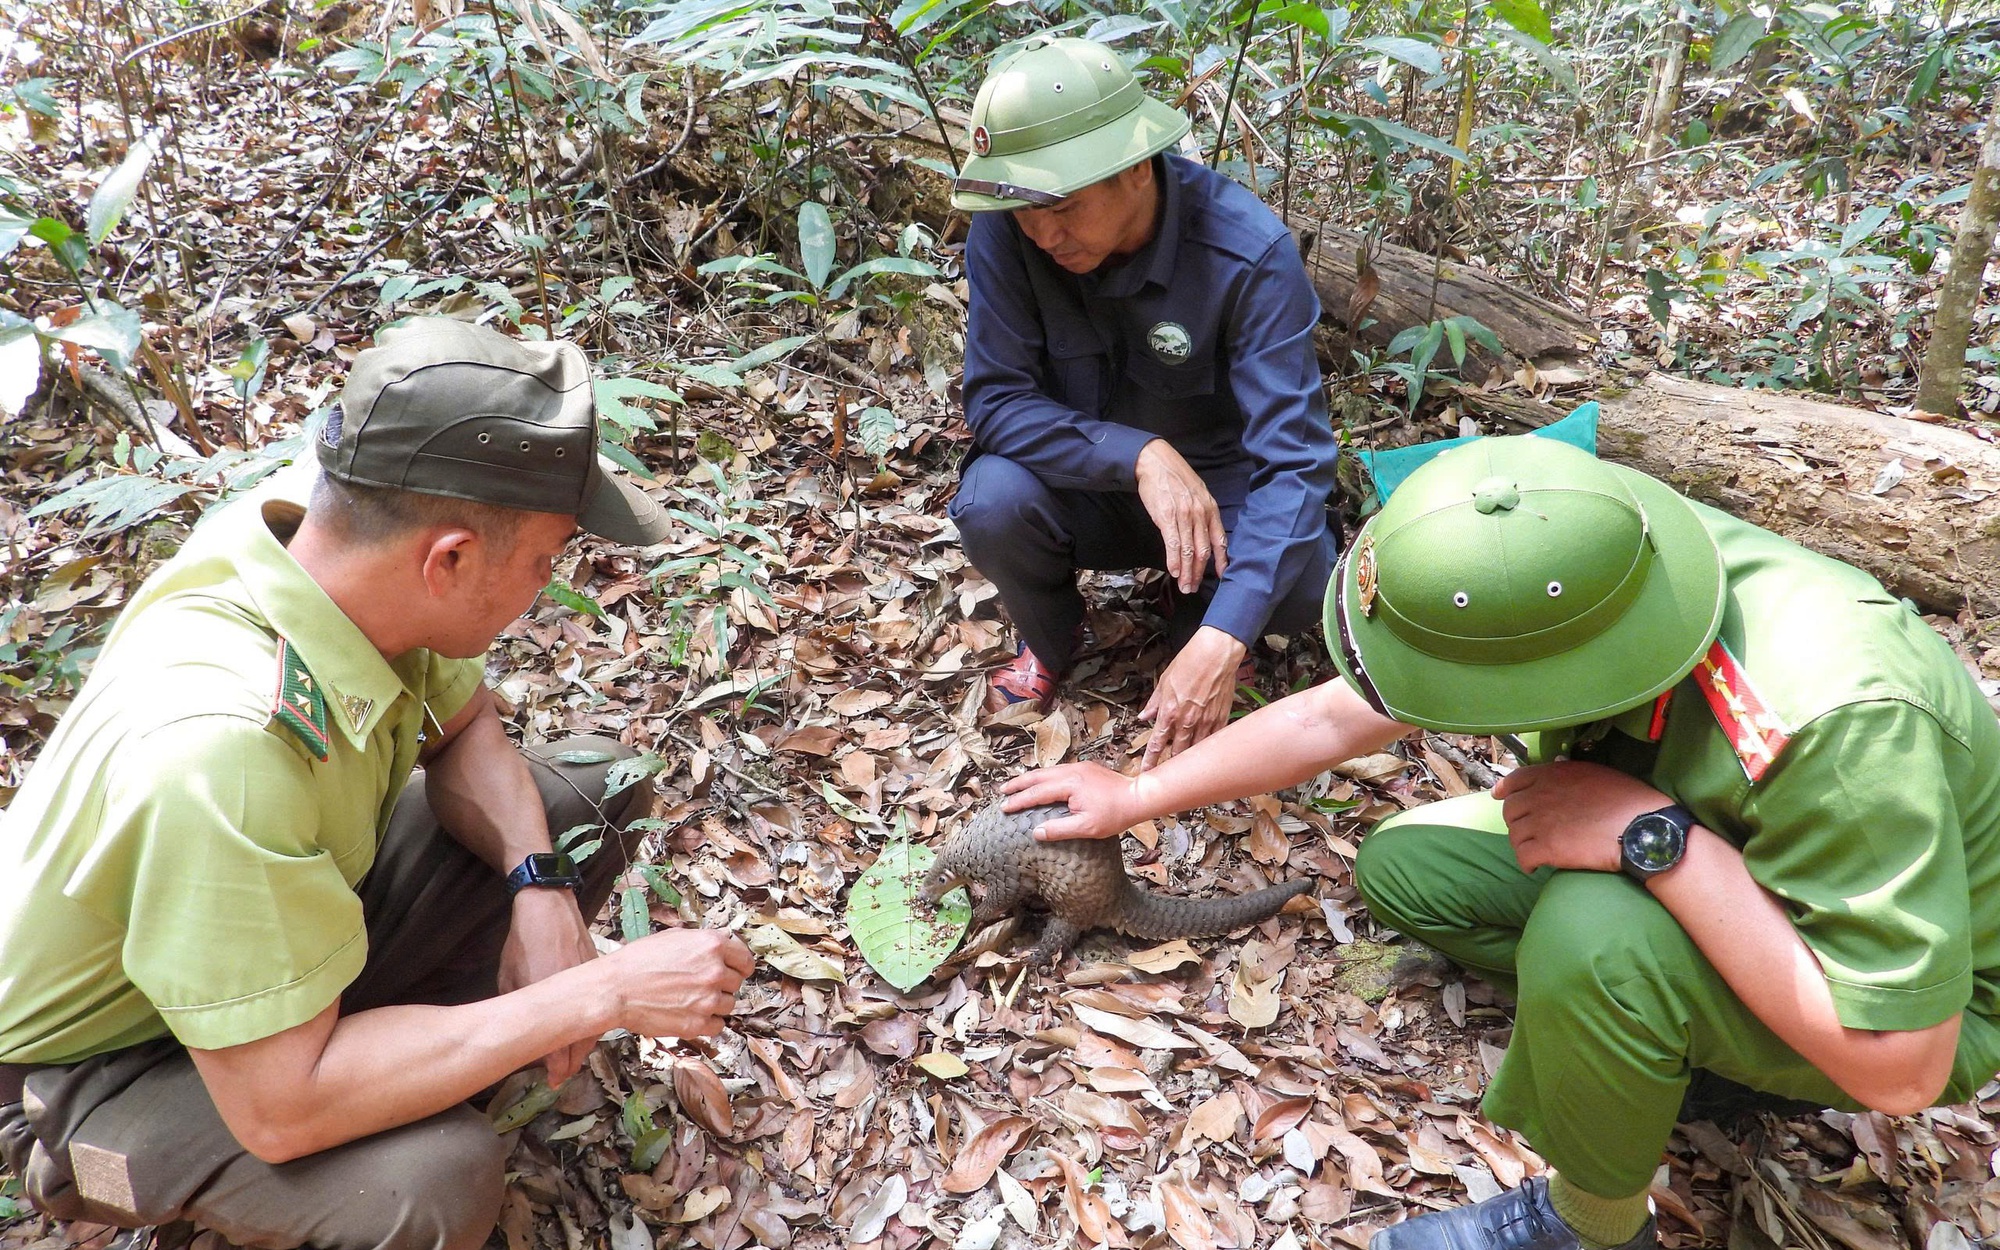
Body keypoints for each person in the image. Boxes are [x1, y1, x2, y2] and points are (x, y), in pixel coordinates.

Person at [1000, 434, 2000, 1250]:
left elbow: (1902, 1068)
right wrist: (1134, 792)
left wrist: (1647, 839)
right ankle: (1670, 1042)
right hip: (1705, 844)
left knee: (1590, 928)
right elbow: (1336, 716)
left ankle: (1589, 1223)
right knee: (1410, 868)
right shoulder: (1592, 551)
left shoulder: (1839, 717)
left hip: (1900, 1000)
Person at [0, 319, 755, 1250]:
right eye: (545, 558)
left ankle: (396, 1050)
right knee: (428, 1184)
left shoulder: (333, 543)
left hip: (278, 935)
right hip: (103, 1063)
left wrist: (538, 886)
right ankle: (145, 1160)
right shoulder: (219, 752)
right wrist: (595, 996)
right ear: (450, 560)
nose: (549, 579)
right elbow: (281, 1109)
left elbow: (466, 723)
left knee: (586, 789)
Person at [950, 34, 1340, 769]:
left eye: (1061, 204)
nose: (1042, 231)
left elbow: (1295, 463)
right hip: (1084, 487)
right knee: (990, 502)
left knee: (1305, 578)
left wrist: (1227, 633)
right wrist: (1138, 455)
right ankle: (1054, 633)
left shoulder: (1246, 253)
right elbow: (996, 400)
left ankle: (1196, 620)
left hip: (1221, 494)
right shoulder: (1008, 230)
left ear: (1135, 169)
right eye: (1025, 208)